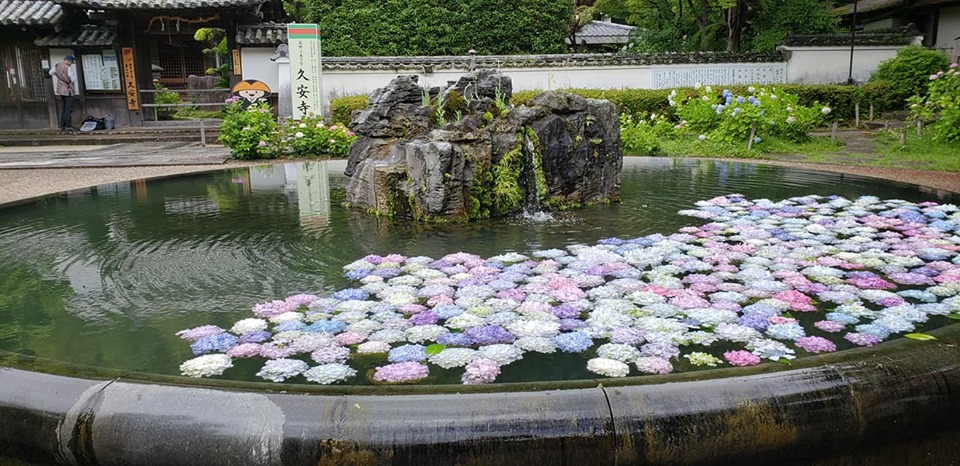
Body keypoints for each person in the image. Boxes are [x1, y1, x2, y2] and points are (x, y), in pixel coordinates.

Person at [49, 54, 78, 131]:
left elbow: (50, 72)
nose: (71, 64)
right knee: (68, 109)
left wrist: (58, 76)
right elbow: (73, 78)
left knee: (64, 108)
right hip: (68, 90)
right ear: (69, 61)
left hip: (60, 90)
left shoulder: (57, 65)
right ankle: (68, 125)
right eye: (71, 62)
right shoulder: (67, 68)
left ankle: (62, 125)